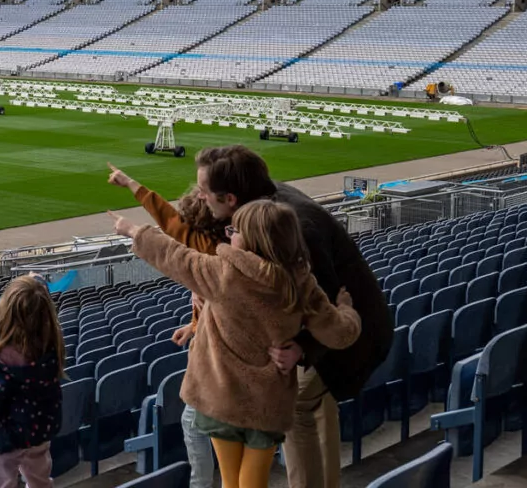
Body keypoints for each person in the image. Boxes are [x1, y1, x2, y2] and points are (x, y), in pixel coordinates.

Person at [109, 200, 362, 488]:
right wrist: (346, 309)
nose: (229, 234)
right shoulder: (301, 282)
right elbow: (341, 333)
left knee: (232, 480)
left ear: (254, 240)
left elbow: (175, 255)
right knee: (252, 479)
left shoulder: (223, 273)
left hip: (221, 398)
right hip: (268, 403)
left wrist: (133, 231)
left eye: (235, 230)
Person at [192, 146, 393, 488]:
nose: (198, 197)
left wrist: (302, 347)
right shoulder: (268, 205)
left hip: (352, 331)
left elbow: (325, 299)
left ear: (230, 198)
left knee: (294, 406)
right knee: (318, 404)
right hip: (356, 324)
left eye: (204, 191)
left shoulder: (295, 227)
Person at [107, 164, 225, 488]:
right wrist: (193, 325)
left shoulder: (207, 254)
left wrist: (133, 229)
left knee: (197, 422)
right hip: (220, 360)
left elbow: (168, 228)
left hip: (221, 367)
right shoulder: (213, 250)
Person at [0, 274, 65, 488]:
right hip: (39, 432)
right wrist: (35, 282)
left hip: (4, 441)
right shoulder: (50, 350)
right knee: (40, 481)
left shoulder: (0, 364)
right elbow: (37, 300)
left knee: (1, 482)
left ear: (5, 315)